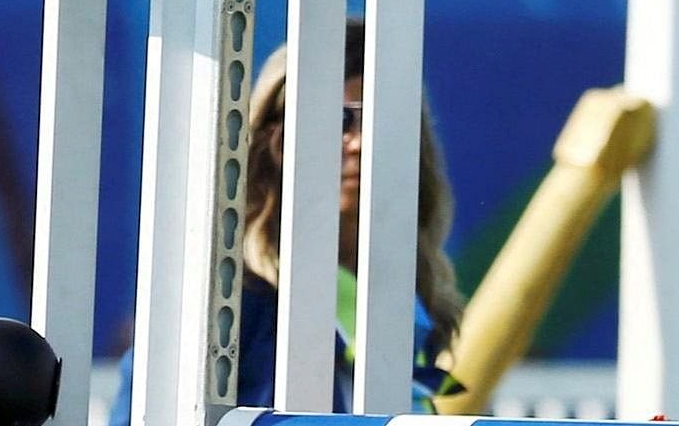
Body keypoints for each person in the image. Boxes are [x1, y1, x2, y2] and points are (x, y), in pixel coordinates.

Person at [103, 22, 463, 425]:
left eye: (380, 119)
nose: (360, 141)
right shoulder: (223, 302)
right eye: (341, 120)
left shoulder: (412, 297)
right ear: (274, 141)